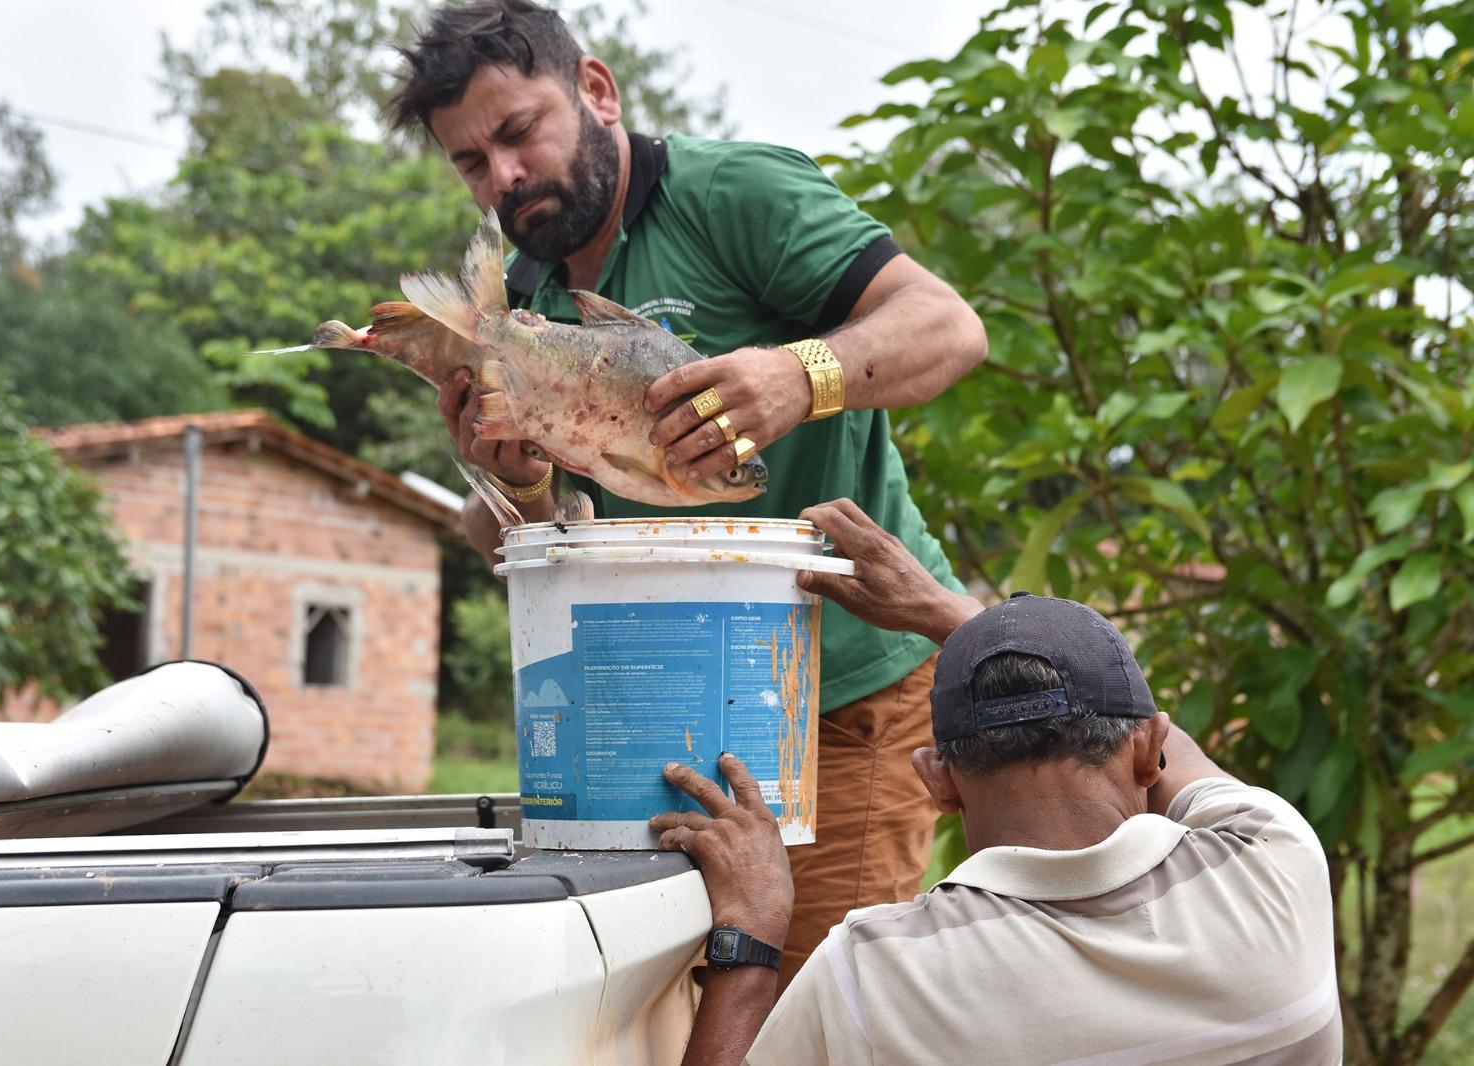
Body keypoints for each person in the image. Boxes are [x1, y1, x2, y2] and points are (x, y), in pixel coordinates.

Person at [387, 0, 989, 984]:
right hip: (650, 716)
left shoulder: (737, 194)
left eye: (517, 133)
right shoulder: (524, 299)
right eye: (469, 161)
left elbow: (948, 326)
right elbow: (536, 536)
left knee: (815, 1010)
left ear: (595, 90)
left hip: (840, 699)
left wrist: (799, 376)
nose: (502, 177)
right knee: (671, 1009)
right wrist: (515, 485)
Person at [651, 499, 1342, 1065]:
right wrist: (948, 611)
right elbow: (1169, 746)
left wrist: (752, 930)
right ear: (1147, 749)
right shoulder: (1273, 863)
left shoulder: (877, 975)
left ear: (936, 781)